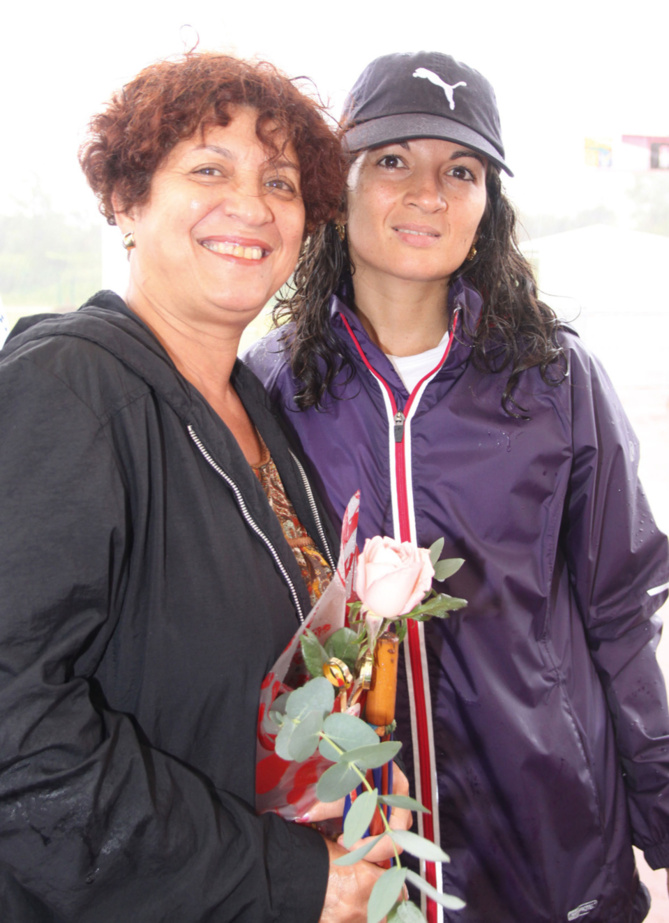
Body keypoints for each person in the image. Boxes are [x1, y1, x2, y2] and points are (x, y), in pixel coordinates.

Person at [244, 51, 669, 923]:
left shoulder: (553, 380)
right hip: (354, 852)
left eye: (461, 169)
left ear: (488, 203)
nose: (428, 191)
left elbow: (621, 614)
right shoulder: (270, 385)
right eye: (393, 159)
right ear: (340, 184)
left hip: (553, 841)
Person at [0, 52, 399, 922]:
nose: (251, 207)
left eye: (281, 183)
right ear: (127, 202)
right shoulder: (66, 388)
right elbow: (15, 730)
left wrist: (346, 761)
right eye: (208, 169)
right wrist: (289, 880)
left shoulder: (254, 407)